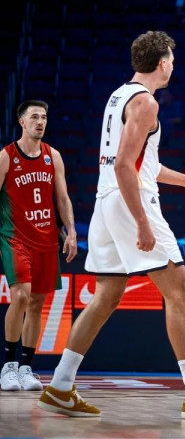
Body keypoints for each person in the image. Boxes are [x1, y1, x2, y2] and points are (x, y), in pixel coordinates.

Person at [37, 31, 185, 419]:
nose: (174, 66)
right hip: (129, 203)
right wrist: (142, 223)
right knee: (180, 291)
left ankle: (61, 385)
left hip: (106, 202)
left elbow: (140, 164)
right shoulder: (146, 102)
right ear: (163, 62)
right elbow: (124, 167)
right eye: (172, 60)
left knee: (106, 296)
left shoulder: (119, 96)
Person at [0, 100, 77, 392]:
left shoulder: (52, 156)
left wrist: (71, 231)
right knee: (20, 296)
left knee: (36, 304)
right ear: (22, 122)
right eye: (34, 117)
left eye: (43, 117)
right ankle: (8, 366)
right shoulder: (6, 156)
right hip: (14, 237)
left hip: (45, 239)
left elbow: (63, 198)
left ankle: (26, 368)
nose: (40, 121)